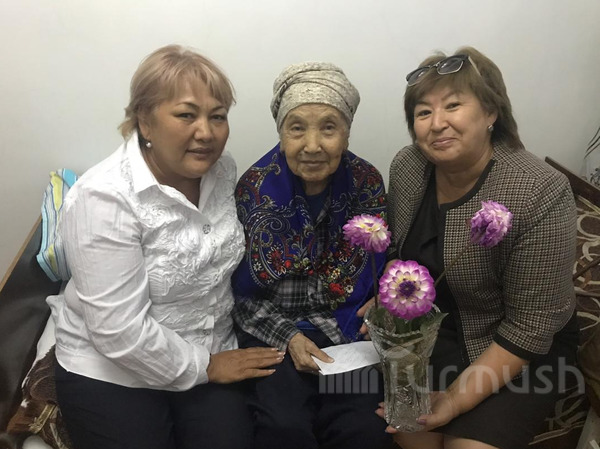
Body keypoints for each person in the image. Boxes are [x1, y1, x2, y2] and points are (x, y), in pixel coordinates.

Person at [48, 45, 284, 449]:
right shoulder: (103, 198)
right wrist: (207, 367)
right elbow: (118, 333)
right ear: (145, 120)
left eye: (218, 116)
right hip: (113, 367)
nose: (206, 133)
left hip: (211, 346)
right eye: (186, 115)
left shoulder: (222, 170)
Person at [380, 46, 580, 449]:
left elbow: (530, 328)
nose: (437, 123)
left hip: (519, 350)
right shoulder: (408, 166)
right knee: (412, 437)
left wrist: (455, 400)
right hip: (434, 335)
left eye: (453, 105)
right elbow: (398, 254)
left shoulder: (539, 190)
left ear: (491, 112)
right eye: (423, 112)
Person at [231, 62, 394, 449]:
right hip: (274, 336)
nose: (312, 145)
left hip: (347, 336)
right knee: (283, 427)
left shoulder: (367, 183)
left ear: (347, 133)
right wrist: (290, 338)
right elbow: (239, 296)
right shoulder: (254, 189)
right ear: (281, 133)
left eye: (328, 127)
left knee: (365, 429)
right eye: (297, 128)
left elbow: (379, 264)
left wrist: (382, 300)